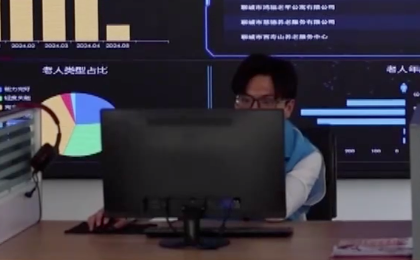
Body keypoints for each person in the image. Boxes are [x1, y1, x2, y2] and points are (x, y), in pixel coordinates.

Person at [87, 53, 326, 227]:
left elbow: (275, 211)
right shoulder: (207, 139)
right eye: (245, 100)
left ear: (288, 107)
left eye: (266, 102)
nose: (253, 110)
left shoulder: (307, 157)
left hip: (275, 255)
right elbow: (169, 191)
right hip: (206, 247)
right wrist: (127, 211)